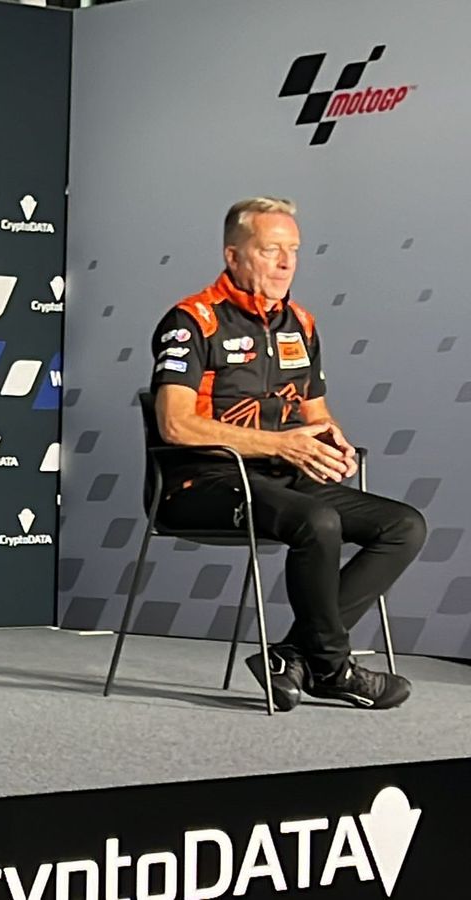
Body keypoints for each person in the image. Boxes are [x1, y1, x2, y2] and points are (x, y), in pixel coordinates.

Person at [149, 197, 424, 711]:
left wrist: (330, 442)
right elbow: (175, 423)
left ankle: (295, 655)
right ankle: (331, 666)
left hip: (283, 478)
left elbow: (316, 414)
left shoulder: (300, 322)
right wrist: (282, 443)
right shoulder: (192, 321)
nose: (285, 262)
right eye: (270, 249)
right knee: (316, 520)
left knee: (403, 526)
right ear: (233, 256)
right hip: (201, 482)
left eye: (293, 250)